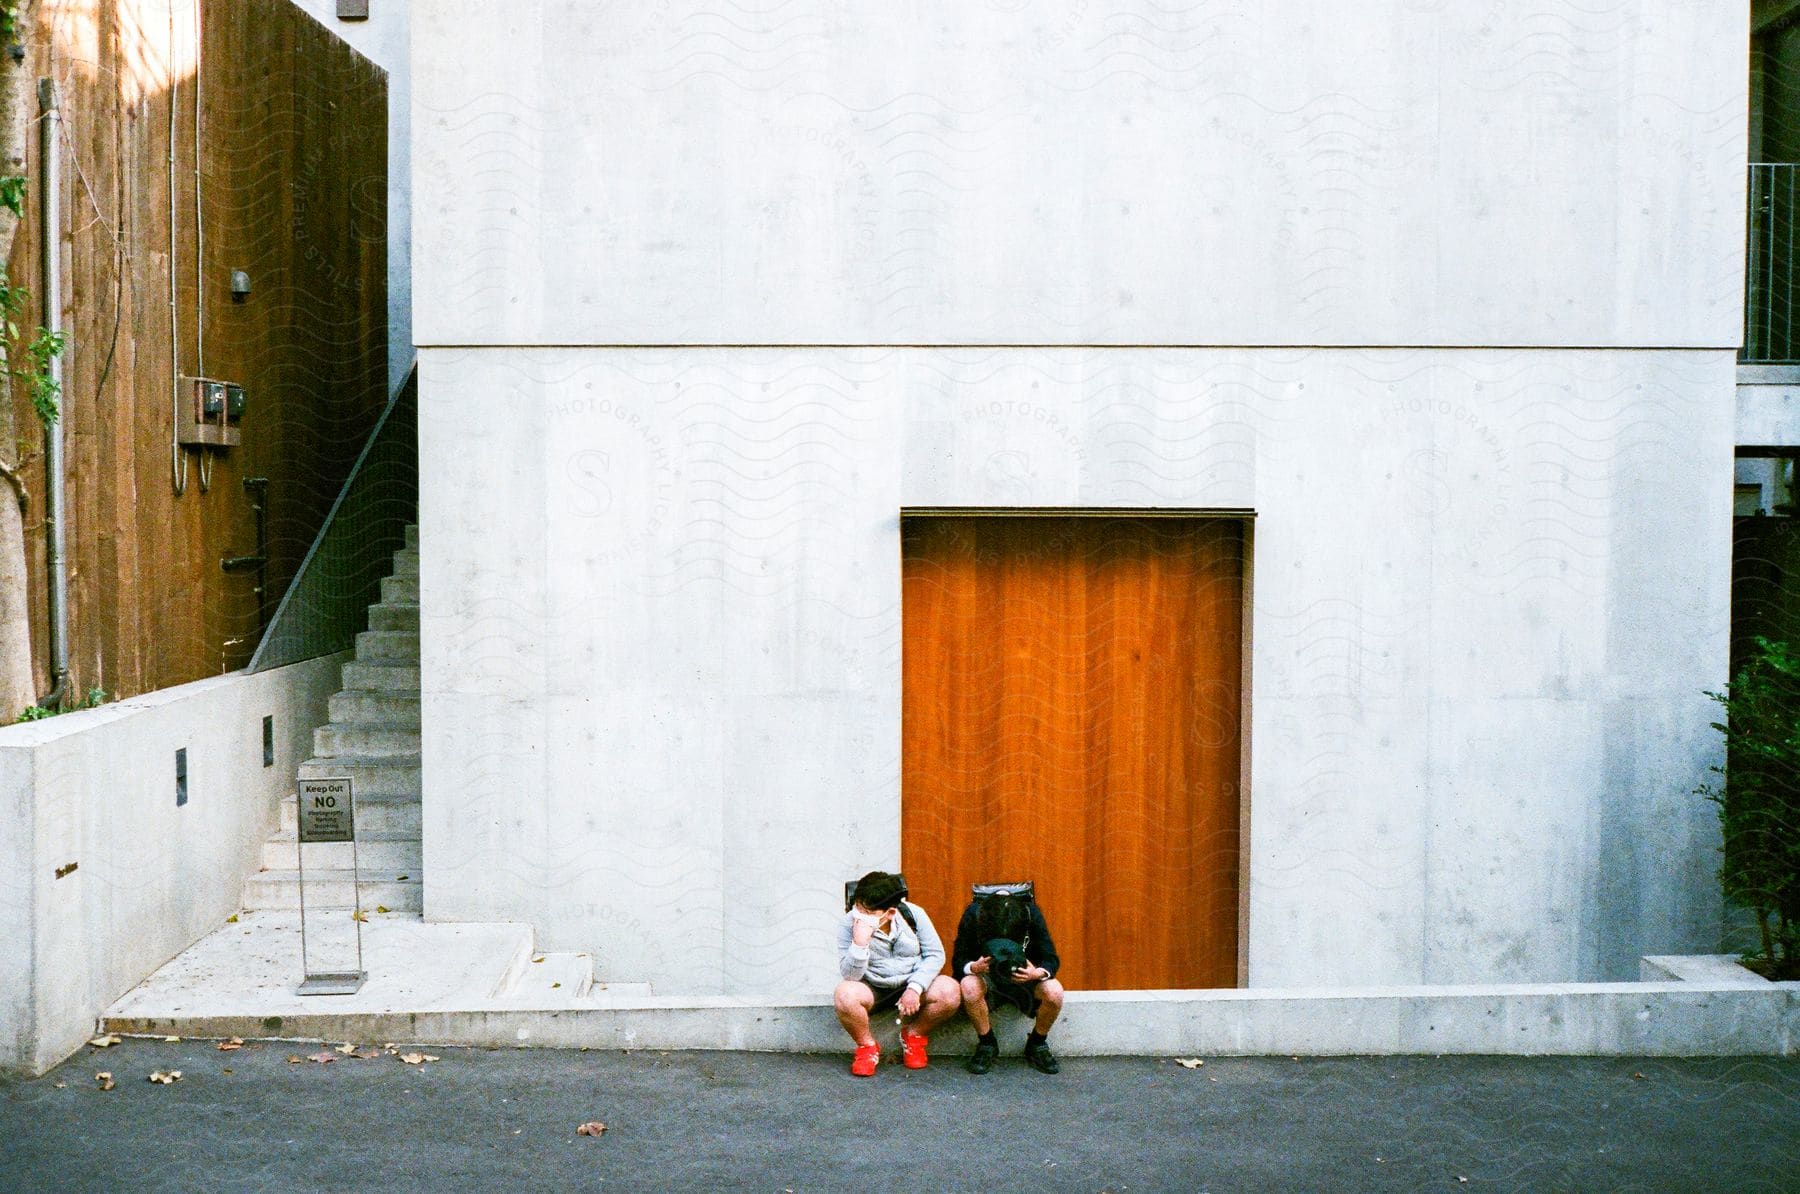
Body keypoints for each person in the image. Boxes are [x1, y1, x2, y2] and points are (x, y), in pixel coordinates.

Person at [833, 871, 961, 1076]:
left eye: (868, 913)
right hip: (873, 987)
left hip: (911, 982)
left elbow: (935, 955)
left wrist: (915, 988)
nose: (860, 915)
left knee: (950, 991)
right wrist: (859, 944)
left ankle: (914, 1036)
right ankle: (867, 1047)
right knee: (844, 994)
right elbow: (850, 976)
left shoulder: (913, 914)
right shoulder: (849, 924)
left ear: (890, 912)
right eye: (858, 908)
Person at [951, 889, 1065, 1074]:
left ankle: (1037, 1043)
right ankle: (987, 1043)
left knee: (1055, 991)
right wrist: (973, 967)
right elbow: (958, 959)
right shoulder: (974, 914)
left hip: (1025, 980)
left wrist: (1037, 973)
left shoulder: (1031, 913)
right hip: (988, 980)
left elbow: (1051, 958)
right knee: (968, 985)